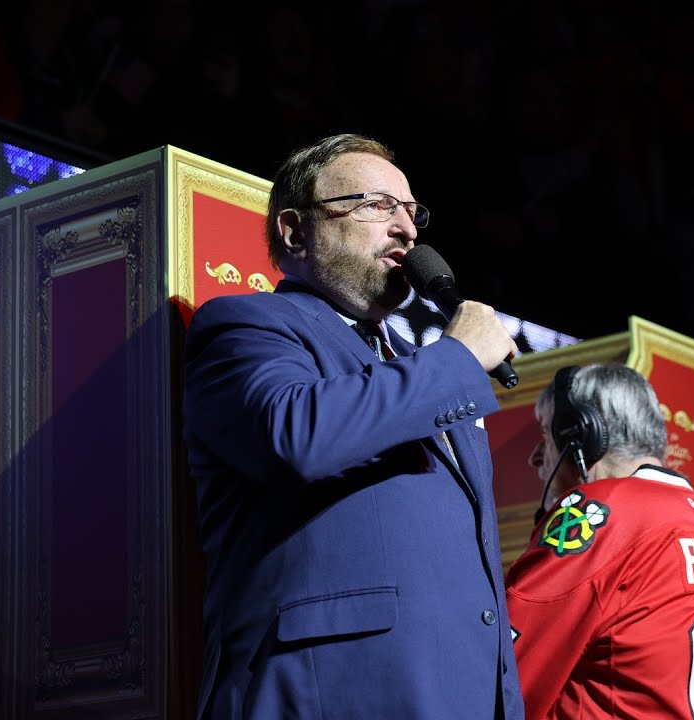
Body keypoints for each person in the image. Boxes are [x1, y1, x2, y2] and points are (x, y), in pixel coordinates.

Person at [182, 133, 524, 719]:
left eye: (411, 212)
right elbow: (293, 435)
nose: (407, 230)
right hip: (330, 693)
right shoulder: (246, 324)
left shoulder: (425, 377)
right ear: (295, 231)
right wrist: (457, 359)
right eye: (377, 205)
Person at [506, 363, 694, 719]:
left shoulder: (600, 512)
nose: (536, 456)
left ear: (581, 436)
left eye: (547, 438)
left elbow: (499, 671)